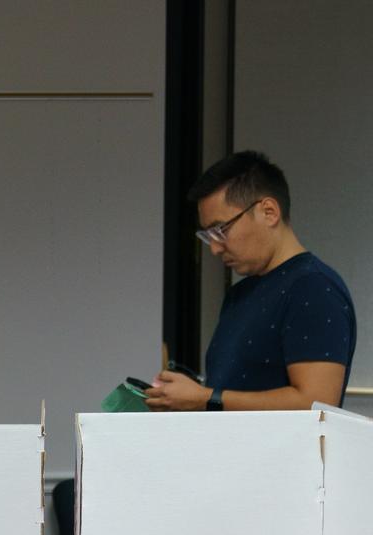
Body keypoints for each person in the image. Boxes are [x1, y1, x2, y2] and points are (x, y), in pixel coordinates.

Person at [146, 150, 355, 412]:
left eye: (221, 230)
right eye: (207, 235)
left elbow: (316, 405)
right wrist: (191, 400)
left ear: (269, 212)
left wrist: (205, 398)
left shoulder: (313, 288)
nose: (214, 248)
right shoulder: (239, 294)